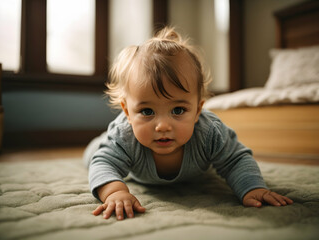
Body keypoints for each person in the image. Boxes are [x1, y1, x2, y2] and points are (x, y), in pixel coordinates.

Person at [85, 27, 293, 221]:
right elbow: (104, 163)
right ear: (128, 112)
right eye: (147, 111)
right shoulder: (124, 135)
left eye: (178, 110)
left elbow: (235, 160)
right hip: (115, 146)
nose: (163, 126)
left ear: (197, 110)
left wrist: (252, 188)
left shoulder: (210, 132)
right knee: (95, 154)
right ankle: (98, 141)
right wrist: (115, 192)